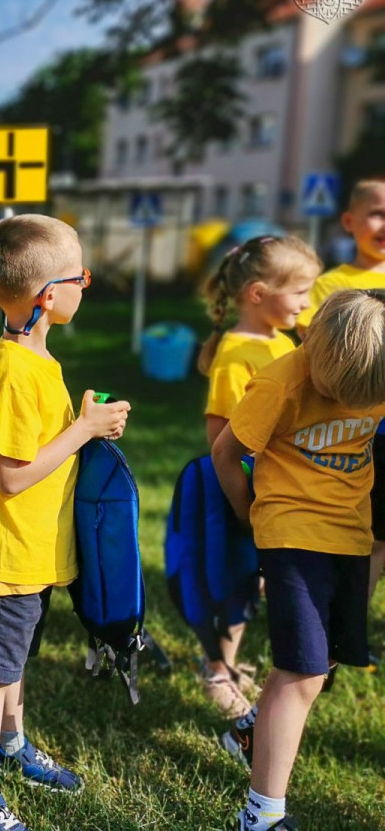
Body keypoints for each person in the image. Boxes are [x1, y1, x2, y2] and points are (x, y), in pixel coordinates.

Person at [0, 215, 131, 831]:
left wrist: (86, 426)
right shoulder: (13, 372)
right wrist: (82, 431)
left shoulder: (37, 358)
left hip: (32, 548)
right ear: (50, 296)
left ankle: (12, 746)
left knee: (17, 660)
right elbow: (11, 476)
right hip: (9, 552)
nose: (88, 284)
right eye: (82, 276)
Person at [213, 289, 385, 830]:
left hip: (352, 534)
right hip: (290, 532)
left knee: (325, 659)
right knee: (303, 671)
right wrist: (250, 515)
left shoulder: (375, 364)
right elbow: (226, 450)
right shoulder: (282, 380)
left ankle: (250, 732)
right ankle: (262, 815)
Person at [194, 235, 321, 717]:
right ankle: (216, 670)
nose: (307, 304)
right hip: (242, 494)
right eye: (300, 293)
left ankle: (226, 661)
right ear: (257, 293)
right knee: (237, 583)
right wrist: (246, 505)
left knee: (255, 582)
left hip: (276, 488)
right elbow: (220, 437)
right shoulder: (235, 355)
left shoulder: (280, 339)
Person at [296, 180, 385, 622]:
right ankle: (350, 624)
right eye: (377, 213)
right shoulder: (331, 284)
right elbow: (315, 350)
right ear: (349, 222)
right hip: (360, 432)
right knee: (370, 536)